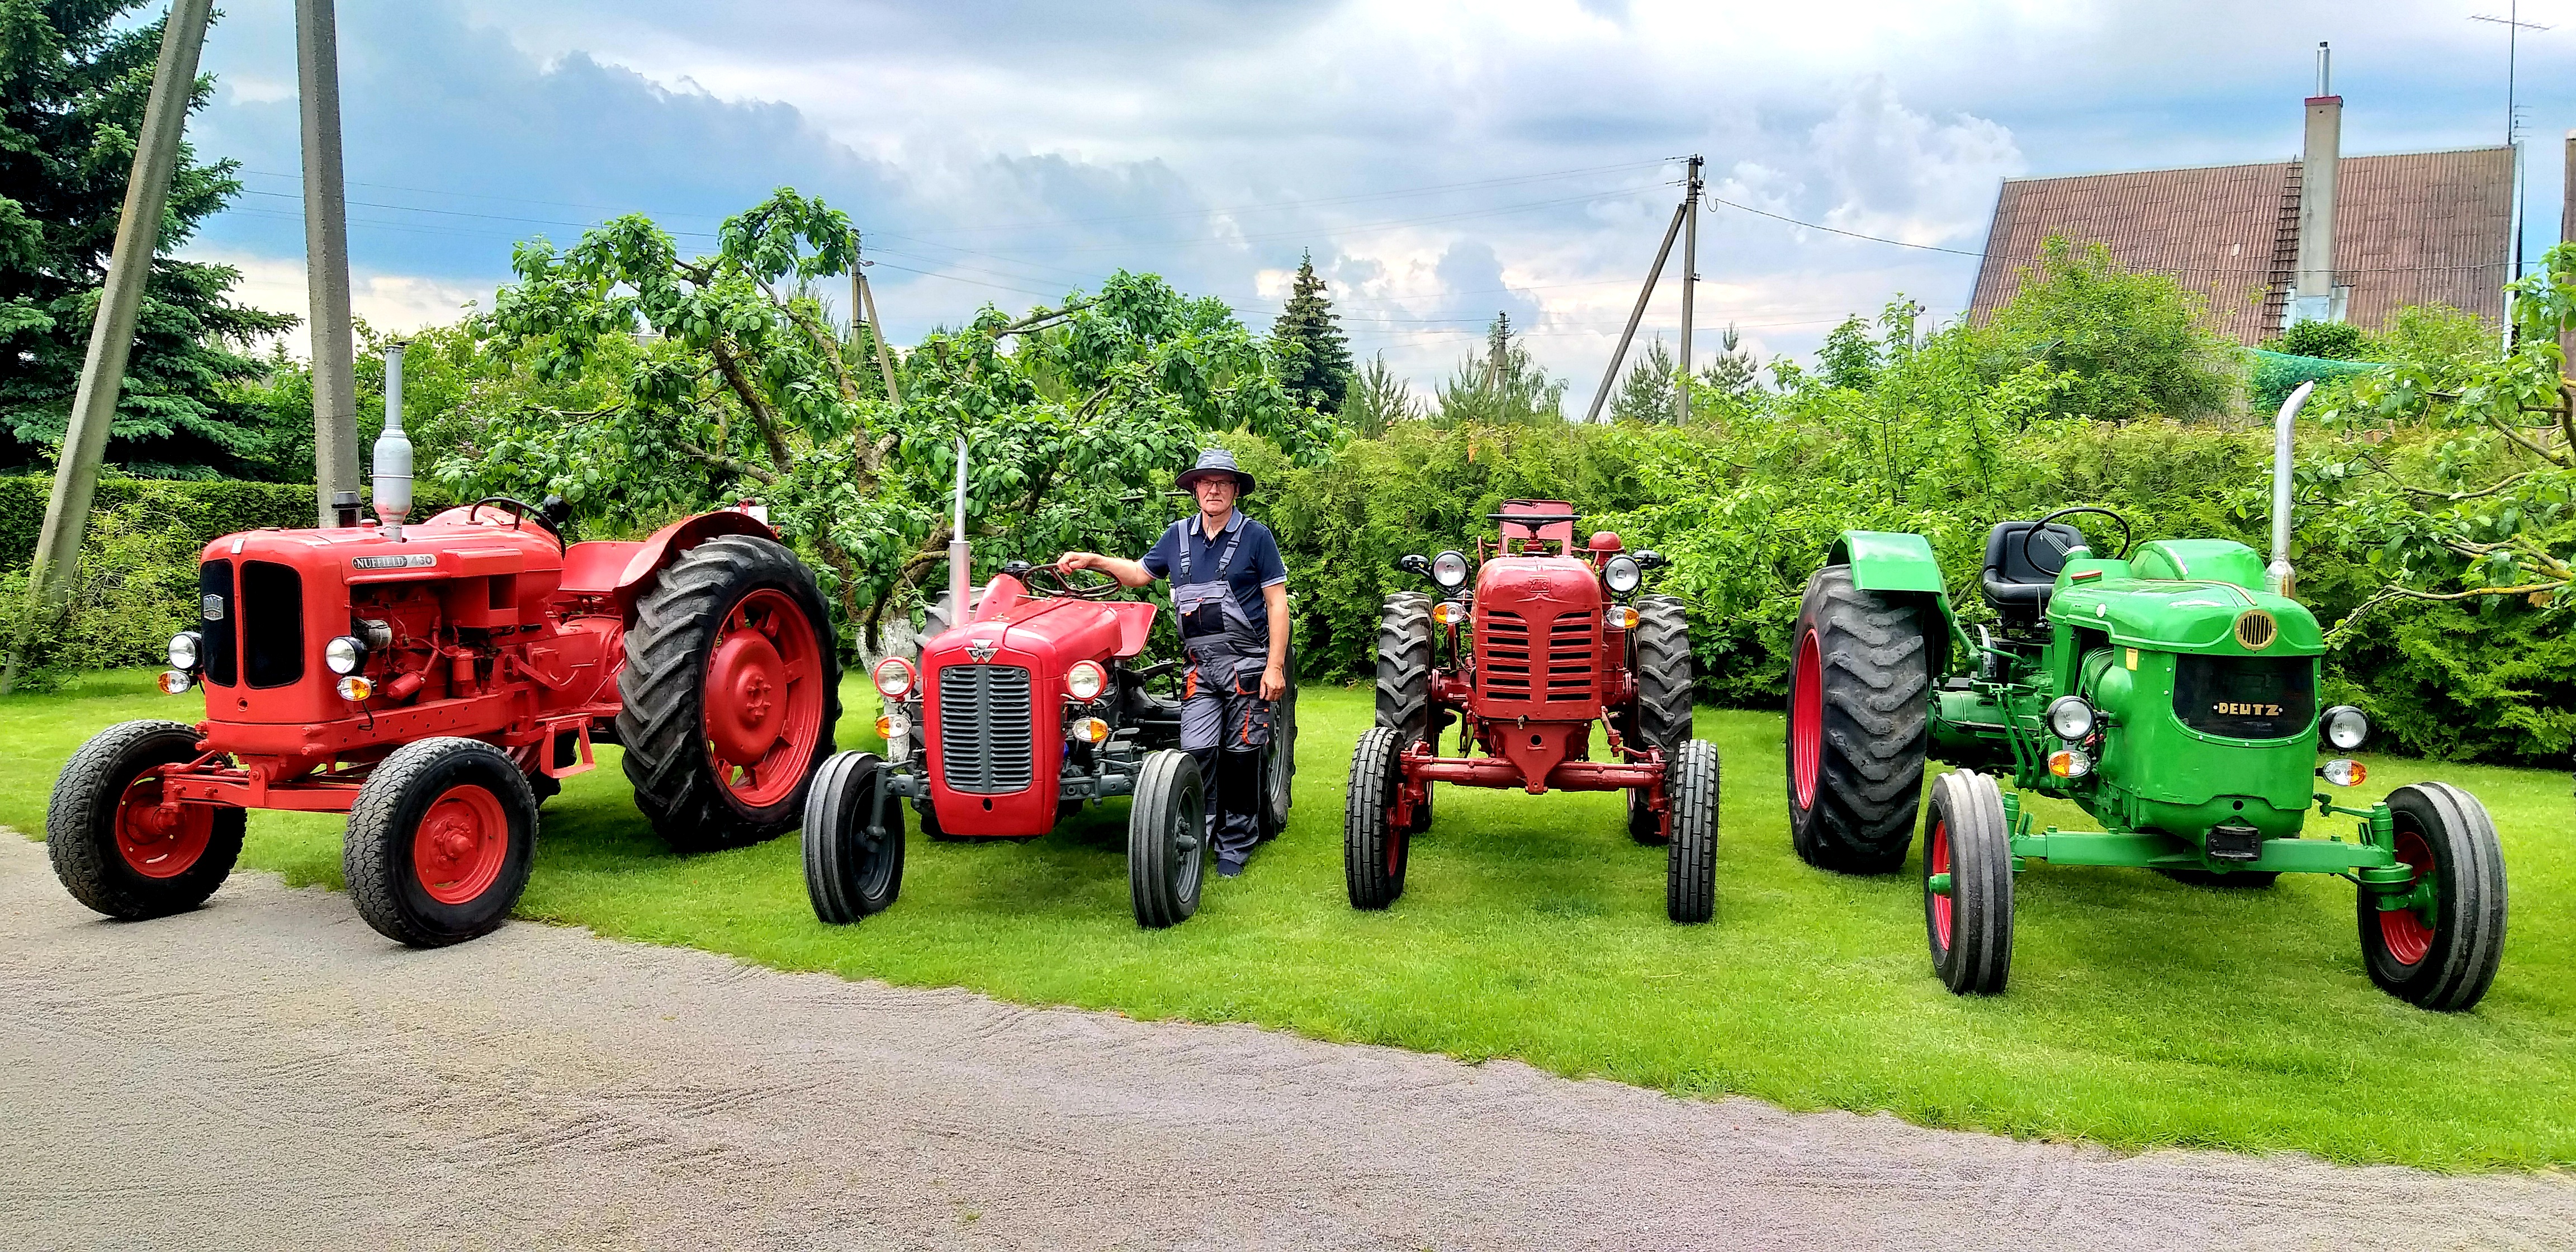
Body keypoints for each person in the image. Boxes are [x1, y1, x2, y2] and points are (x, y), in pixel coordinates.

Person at [1058, 449, 1287, 878]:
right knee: (1196, 751)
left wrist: (1274, 666)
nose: (1214, 489)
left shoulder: (1257, 538)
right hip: (1199, 669)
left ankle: (1235, 846)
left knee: (1241, 757)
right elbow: (1138, 574)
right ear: (1195, 489)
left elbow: (1277, 604)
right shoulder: (1176, 537)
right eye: (1207, 482)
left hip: (1246, 667)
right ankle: (1199, 831)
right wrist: (1094, 561)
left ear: (1236, 490)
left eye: (1223, 482)